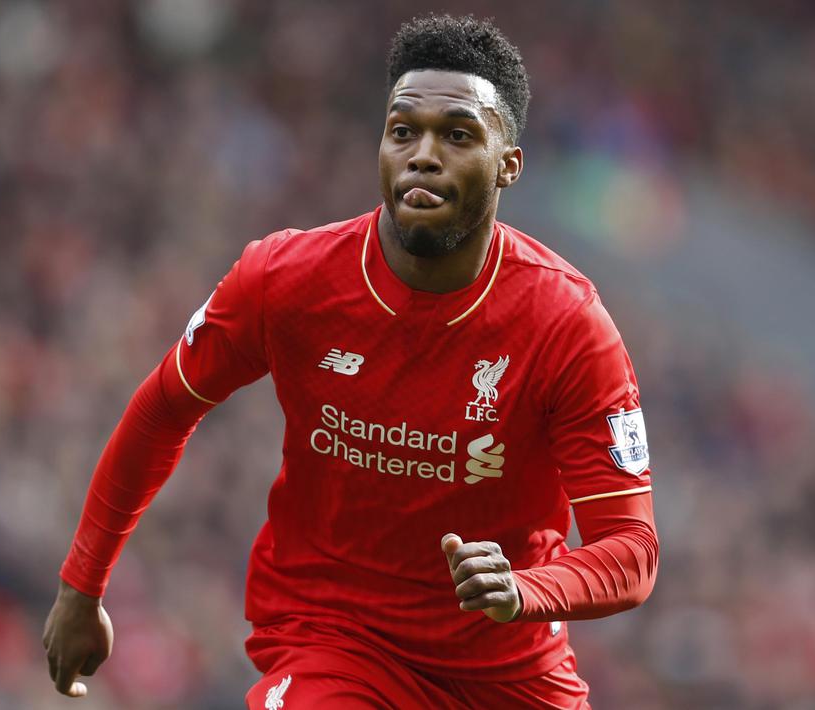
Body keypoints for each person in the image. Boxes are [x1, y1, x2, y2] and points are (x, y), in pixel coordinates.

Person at [43, 14, 658, 709]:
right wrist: (81, 584)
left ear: (507, 164)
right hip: (332, 643)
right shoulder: (285, 279)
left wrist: (523, 589)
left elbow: (629, 553)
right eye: (403, 131)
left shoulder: (566, 325)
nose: (423, 154)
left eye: (457, 135)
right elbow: (163, 409)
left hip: (504, 677)